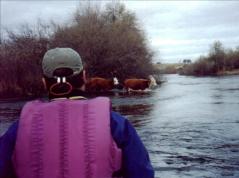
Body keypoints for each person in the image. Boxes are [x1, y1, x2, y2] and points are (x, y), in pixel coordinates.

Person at [0, 48, 154, 178]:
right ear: (84, 77)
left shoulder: (18, 129)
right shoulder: (116, 124)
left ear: (44, 82)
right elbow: (142, 172)